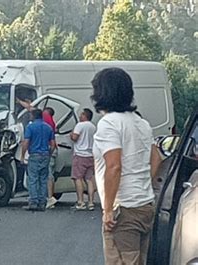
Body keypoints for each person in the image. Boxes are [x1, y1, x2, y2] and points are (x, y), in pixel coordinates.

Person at [91, 68, 161, 264]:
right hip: (144, 204)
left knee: (121, 261)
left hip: (123, 208)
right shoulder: (141, 123)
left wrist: (108, 210)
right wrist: (143, 182)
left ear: (101, 93)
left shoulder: (109, 124)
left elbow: (114, 167)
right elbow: (156, 159)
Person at [20, 109, 56, 211]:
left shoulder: (30, 127)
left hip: (34, 155)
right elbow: (53, 144)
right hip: (45, 155)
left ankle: (33, 202)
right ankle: (42, 202)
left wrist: (23, 156)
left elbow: (26, 142)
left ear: (33, 116)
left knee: (33, 179)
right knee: (43, 179)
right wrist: (49, 153)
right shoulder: (48, 127)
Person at [70, 108, 96, 211]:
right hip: (90, 155)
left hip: (80, 155)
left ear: (85, 115)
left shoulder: (80, 125)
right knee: (89, 179)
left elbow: (75, 138)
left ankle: (80, 202)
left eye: (81, 114)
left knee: (78, 178)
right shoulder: (93, 127)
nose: (80, 116)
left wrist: (71, 135)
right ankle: (91, 202)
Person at [43, 107, 59, 209]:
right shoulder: (52, 122)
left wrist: (20, 101)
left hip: (49, 150)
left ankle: (49, 198)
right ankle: (50, 197)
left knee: (48, 175)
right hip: (53, 150)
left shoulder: (46, 118)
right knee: (51, 175)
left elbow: (32, 109)